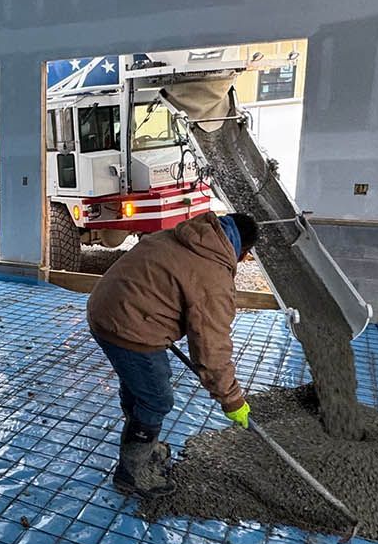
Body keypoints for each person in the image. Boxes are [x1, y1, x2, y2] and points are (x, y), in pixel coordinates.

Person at [86, 212, 259, 497]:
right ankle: (133, 473)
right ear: (242, 252)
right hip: (130, 326)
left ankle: (143, 447)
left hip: (106, 308)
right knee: (156, 399)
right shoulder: (213, 276)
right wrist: (232, 400)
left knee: (139, 386)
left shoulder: (187, 235)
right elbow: (212, 348)